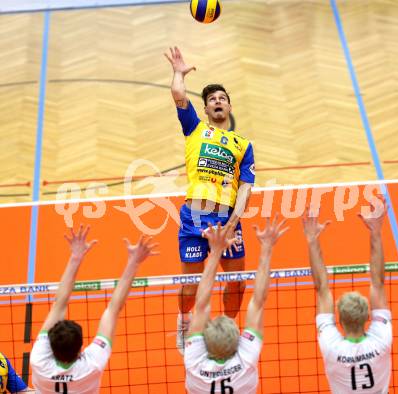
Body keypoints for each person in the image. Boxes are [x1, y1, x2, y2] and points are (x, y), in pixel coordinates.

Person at [165, 46, 256, 353]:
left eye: (222, 98)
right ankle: (184, 321)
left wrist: (232, 223)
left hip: (227, 219)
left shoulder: (243, 145)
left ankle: (228, 327)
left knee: (237, 283)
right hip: (194, 218)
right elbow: (178, 95)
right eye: (211, 100)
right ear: (205, 110)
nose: (217, 102)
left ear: (229, 107)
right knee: (190, 286)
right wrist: (178, 72)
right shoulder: (194, 129)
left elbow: (245, 187)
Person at [30, 225, 158, 393]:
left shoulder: (38, 361)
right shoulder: (92, 365)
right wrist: (134, 262)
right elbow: (113, 310)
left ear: (51, 346)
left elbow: (59, 305)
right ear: (80, 348)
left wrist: (75, 257)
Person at [184, 215, 288, 393]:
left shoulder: (194, 364)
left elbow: (200, 305)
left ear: (206, 344)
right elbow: (258, 301)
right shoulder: (246, 360)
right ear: (237, 343)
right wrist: (266, 248)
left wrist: (215, 251)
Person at [302, 201, 392, 393]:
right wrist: (375, 231)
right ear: (369, 315)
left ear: (339, 320)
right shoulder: (381, 340)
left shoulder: (332, 347)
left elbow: (322, 289)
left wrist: (312, 239)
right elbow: (378, 283)